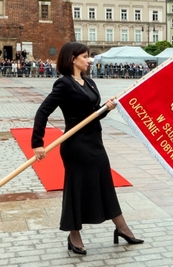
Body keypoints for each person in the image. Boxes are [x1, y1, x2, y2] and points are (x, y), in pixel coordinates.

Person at [31, 42, 143, 255]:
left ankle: (122, 229)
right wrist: (37, 143)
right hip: (76, 145)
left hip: (95, 142)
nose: (88, 60)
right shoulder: (63, 84)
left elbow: (92, 113)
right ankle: (74, 236)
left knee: (104, 183)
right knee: (76, 188)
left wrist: (106, 108)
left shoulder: (90, 82)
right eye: (84, 56)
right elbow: (42, 112)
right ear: (72, 59)